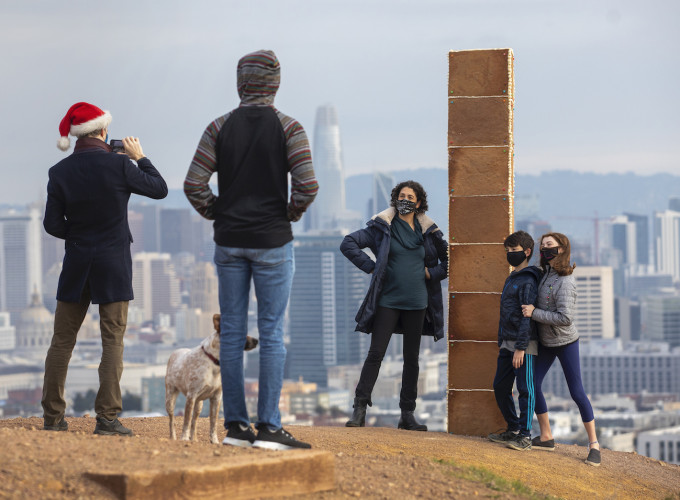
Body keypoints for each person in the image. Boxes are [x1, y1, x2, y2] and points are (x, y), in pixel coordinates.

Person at [184, 50, 318, 451]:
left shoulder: (218, 128)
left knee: (232, 335)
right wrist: (288, 214)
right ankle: (271, 429)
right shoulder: (290, 128)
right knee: (272, 333)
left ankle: (237, 429)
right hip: (273, 240)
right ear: (275, 84)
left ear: (240, 83)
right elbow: (308, 185)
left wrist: (219, 212)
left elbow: (194, 184)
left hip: (229, 241)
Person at [43, 102, 168, 436]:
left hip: (76, 263)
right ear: (102, 131)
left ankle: (53, 418)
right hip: (113, 263)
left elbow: (52, 224)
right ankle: (107, 419)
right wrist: (139, 156)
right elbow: (159, 189)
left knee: (62, 340)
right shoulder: (120, 166)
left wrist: (81, 236)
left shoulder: (59, 172)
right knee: (112, 338)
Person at [340, 180, 448, 430]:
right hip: (388, 300)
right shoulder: (382, 228)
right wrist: (372, 267)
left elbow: (449, 261)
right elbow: (348, 243)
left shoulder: (429, 232)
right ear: (395, 199)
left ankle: (407, 415)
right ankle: (359, 408)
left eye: (411, 196)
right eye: (401, 195)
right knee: (376, 353)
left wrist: (432, 274)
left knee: (412, 359)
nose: (405, 199)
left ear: (419, 202)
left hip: (418, 302)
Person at [521, 232, 601, 466]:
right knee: (531, 384)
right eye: (542, 246)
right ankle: (546, 436)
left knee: (576, 392)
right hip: (546, 342)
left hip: (565, 342)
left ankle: (594, 445)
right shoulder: (546, 274)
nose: (544, 250)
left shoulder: (566, 280)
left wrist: (533, 312)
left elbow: (565, 318)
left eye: (550, 246)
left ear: (562, 249)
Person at [488, 230, 541, 451]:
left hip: (524, 345)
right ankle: (513, 428)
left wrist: (521, 348)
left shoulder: (528, 280)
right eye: (508, 251)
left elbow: (526, 317)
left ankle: (526, 436)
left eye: (514, 251)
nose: (510, 254)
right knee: (500, 387)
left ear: (527, 252)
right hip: (507, 343)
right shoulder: (513, 278)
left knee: (525, 389)